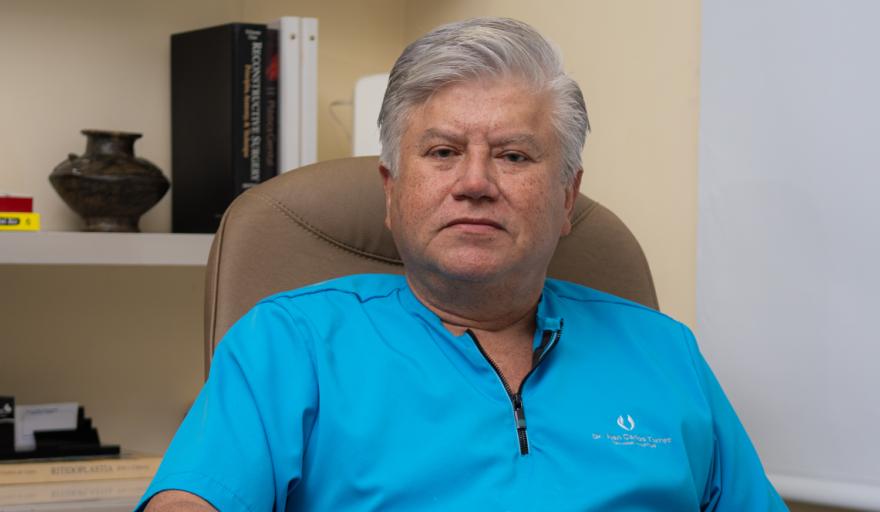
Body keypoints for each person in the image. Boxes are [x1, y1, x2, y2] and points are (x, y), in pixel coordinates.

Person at [139, 17, 787, 511]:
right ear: (392, 191)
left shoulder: (666, 352)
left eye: (514, 156)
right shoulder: (288, 344)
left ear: (567, 199)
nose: (475, 183)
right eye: (444, 152)